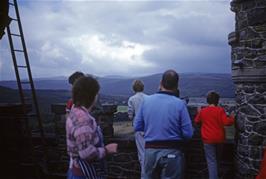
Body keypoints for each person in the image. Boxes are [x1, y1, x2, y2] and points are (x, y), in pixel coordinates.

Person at [134, 69, 194, 179]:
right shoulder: (180, 104)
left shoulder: (146, 101)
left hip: (150, 152)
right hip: (173, 153)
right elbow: (188, 134)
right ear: (176, 86)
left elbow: (137, 126)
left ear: (160, 83)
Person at [66, 75, 118, 179]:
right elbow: (86, 154)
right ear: (93, 95)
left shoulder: (74, 112)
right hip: (84, 174)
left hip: (75, 170)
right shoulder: (83, 120)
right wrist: (107, 150)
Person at [194, 91, 235, 179]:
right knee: (217, 159)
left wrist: (199, 113)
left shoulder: (203, 111)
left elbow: (197, 121)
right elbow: (227, 122)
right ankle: (216, 175)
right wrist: (232, 117)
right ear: (217, 101)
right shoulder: (220, 110)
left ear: (207, 101)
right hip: (219, 139)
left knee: (211, 161)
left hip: (207, 140)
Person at [128, 80, 147, 179]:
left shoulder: (132, 99)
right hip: (149, 127)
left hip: (139, 128)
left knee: (142, 155)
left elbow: (130, 115)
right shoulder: (149, 98)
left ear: (133, 88)